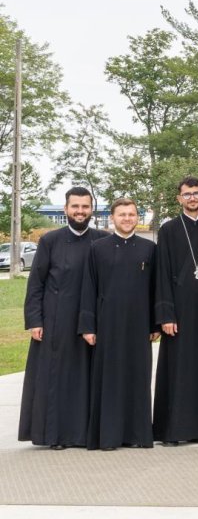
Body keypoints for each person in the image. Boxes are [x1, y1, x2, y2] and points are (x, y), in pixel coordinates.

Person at [20, 187, 106, 448]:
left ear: (92, 209)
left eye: (85, 207)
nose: (80, 212)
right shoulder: (50, 241)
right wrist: (35, 320)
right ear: (65, 209)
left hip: (93, 321)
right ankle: (56, 435)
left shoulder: (102, 240)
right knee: (57, 379)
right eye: (75, 207)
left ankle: (86, 434)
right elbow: (36, 283)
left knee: (88, 379)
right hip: (56, 321)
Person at [153, 178, 198, 445]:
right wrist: (166, 315)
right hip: (179, 313)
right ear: (179, 199)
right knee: (178, 371)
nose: (192, 198)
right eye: (187, 194)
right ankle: (173, 430)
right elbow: (161, 274)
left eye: (196, 194)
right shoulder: (169, 230)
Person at [80, 198, 158, 450]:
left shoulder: (149, 248)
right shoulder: (98, 248)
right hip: (107, 324)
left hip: (139, 323)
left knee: (138, 377)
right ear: (112, 218)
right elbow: (88, 289)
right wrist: (88, 326)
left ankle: (137, 434)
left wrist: (155, 324)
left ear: (138, 218)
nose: (127, 218)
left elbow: (157, 289)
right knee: (109, 379)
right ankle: (109, 436)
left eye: (132, 214)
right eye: (122, 214)